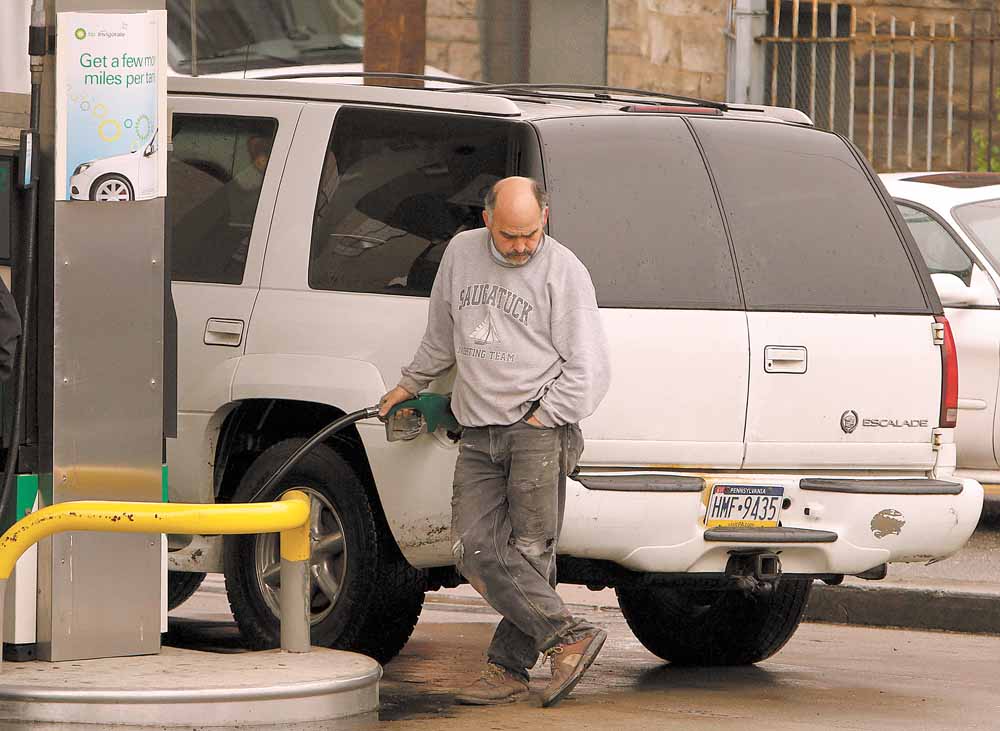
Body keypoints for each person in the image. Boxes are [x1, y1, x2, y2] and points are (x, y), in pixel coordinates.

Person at [379, 176, 611, 708]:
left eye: (531, 233)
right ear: (487, 221)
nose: (522, 245)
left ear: (545, 219)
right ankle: (567, 636)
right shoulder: (461, 255)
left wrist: (543, 417)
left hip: (537, 430)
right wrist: (410, 383)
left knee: (531, 552)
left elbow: (590, 367)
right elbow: (442, 333)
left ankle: (507, 670)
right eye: (510, 235)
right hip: (479, 429)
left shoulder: (565, 271)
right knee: (472, 548)